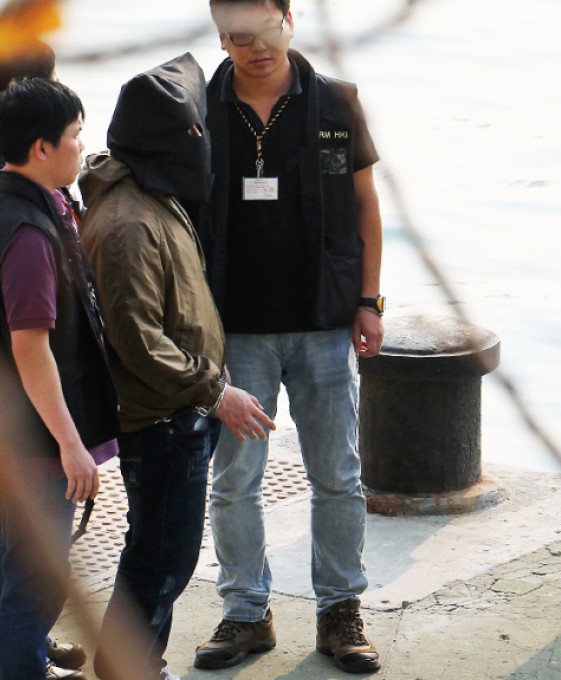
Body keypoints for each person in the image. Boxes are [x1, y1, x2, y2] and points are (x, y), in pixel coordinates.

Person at [194, 0, 384, 673]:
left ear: (290, 21)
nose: (255, 49)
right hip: (235, 330)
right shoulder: (199, 108)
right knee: (233, 482)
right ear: (222, 38)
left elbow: (366, 203)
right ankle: (246, 613)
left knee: (336, 474)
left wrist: (369, 300)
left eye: (265, 32)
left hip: (324, 323)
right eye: (238, 38)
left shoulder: (334, 102)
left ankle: (341, 613)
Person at [78, 54, 275, 680]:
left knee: (164, 554)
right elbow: (136, 339)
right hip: (161, 420)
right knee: (158, 560)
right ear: (164, 139)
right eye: (191, 130)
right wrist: (215, 391)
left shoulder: (150, 195)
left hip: (176, 411)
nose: (202, 142)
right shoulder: (129, 222)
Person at [0, 77, 119, 680]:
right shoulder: (28, 234)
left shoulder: (20, 209)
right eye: (75, 136)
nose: (82, 147)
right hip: (30, 450)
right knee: (32, 589)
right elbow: (31, 348)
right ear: (42, 148)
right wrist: (73, 447)